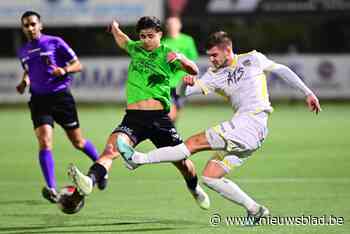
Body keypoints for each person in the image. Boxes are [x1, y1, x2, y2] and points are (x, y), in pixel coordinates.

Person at [117, 31, 322, 224]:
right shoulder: (214, 75)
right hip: (247, 131)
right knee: (210, 176)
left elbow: (281, 70)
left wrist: (307, 93)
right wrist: (184, 81)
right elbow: (183, 93)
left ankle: (138, 159)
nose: (212, 60)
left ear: (227, 49)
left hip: (253, 123)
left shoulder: (253, 58)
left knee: (193, 143)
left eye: (214, 55)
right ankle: (254, 209)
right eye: (209, 56)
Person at [68, 16, 210, 210]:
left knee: (183, 164)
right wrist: (115, 28)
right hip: (133, 119)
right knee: (110, 151)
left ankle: (194, 189)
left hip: (160, 119)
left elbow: (193, 70)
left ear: (160, 34)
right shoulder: (136, 48)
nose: (145, 40)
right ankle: (90, 181)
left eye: (150, 36)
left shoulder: (167, 52)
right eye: (142, 36)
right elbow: (123, 40)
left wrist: (181, 59)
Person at [16, 11, 99, 203]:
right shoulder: (24, 51)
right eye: (26, 25)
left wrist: (64, 69)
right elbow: (28, 71)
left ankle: (101, 168)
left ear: (40, 25)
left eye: (33, 24)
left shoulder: (55, 42)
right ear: (23, 28)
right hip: (38, 100)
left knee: (77, 142)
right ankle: (52, 188)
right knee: (45, 141)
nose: (30, 28)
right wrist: (24, 82)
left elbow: (78, 65)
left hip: (61, 98)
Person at [162, 16, 199, 122]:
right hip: (167, 84)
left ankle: (170, 133)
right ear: (166, 26)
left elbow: (193, 60)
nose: (172, 26)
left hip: (183, 83)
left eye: (174, 24)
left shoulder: (188, 40)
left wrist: (191, 75)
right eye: (169, 24)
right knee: (170, 113)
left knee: (175, 112)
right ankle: (167, 134)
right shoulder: (163, 43)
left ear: (179, 25)